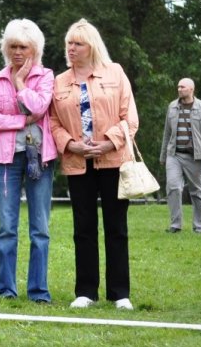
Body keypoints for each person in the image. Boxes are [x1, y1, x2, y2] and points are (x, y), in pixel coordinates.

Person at [49, 18, 138, 310]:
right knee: (83, 228)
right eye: (69, 44)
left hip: (113, 160)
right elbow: (52, 122)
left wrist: (109, 142)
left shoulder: (115, 73)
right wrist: (70, 144)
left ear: (91, 47)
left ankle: (120, 293)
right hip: (78, 164)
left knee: (116, 227)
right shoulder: (59, 81)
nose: (71, 49)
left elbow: (129, 118)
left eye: (78, 44)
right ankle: (85, 291)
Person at [0, 19, 56, 303]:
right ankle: (5, 289)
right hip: (6, 160)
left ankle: (38, 291)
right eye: (13, 46)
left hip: (38, 157)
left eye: (23, 47)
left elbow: (39, 107)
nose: (17, 52)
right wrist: (22, 120)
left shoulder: (47, 76)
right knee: (6, 226)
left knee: (40, 227)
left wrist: (19, 83)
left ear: (34, 49)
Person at [160, 78, 201, 234]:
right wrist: (163, 155)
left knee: (197, 192)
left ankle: (199, 227)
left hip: (196, 157)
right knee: (173, 187)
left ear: (191, 89)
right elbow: (167, 133)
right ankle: (175, 225)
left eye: (182, 87)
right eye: (178, 86)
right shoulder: (172, 107)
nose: (179, 89)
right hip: (174, 155)